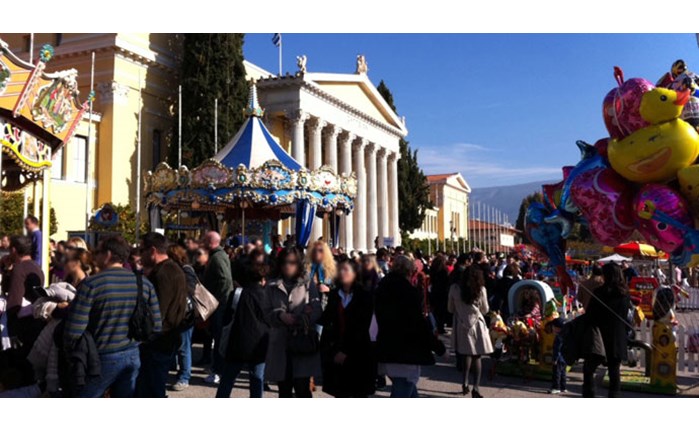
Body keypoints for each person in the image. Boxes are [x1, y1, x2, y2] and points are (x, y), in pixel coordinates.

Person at [64, 235, 162, 398]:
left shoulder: (92, 284)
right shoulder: (143, 283)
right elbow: (156, 325)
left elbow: (73, 331)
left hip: (101, 357)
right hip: (133, 354)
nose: (94, 256)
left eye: (98, 252)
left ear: (108, 255)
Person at [375, 255, 446, 398]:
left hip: (386, 344)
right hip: (405, 350)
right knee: (403, 387)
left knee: (408, 390)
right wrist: (439, 348)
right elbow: (419, 325)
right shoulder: (409, 292)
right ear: (409, 272)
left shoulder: (381, 288)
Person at [137, 232, 188, 397]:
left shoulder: (164, 273)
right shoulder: (170, 268)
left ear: (152, 251)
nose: (139, 254)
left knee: (151, 389)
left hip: (159, 342)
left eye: (141, 249)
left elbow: (157, 312)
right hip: (165, 339)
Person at [266, 247, 322, 398]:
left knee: (302, 388)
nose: (287, 266)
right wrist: (279, 316)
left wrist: (303, 317)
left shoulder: (307, 284)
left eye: (291, 262)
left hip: (301, 341)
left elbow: (317, 310)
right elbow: (265, 311)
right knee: (284, 389)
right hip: (280, 343)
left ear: (298, 264)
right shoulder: (271, 285)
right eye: (284, 262)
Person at [319, 258, 375, 398]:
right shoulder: (334, 295)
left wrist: (346, 351)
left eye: (346, 270)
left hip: (358, 354)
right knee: (340, 393)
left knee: (357, 393)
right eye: (340, 270)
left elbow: (362, 327)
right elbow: (328, 322)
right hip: (336, 352)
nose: (342, 273)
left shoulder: (364, 296)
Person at [216, 259, 272, 398]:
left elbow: (227, 317)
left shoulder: (237, 293)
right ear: (263, 279)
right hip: (259, 344)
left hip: (237, 341)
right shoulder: (267, 296)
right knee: (257, 380)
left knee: (227, 380)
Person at [582, 263, 632, 398]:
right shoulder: (625, 294)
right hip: (617, 335)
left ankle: (589, 394)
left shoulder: (599, 292)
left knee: (589, 368)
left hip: (599, 335)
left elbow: (591, 314)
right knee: (614, 371)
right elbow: (625, 313)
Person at [448, 264, 493, 398]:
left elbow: (450, 309)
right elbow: (485, 310)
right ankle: (476, 387)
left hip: (461, 323)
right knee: (477, 355)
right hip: (477, 324)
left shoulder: (454, 288)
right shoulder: (481, 289)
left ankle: (465, 381)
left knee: (465, 353)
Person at [1, 236, 45, 354]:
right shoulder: (36, 267)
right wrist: (8, 269)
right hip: (35, 318)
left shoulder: (20, 269)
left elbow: (14, 299)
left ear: (14, 250)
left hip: (21, 323)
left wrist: (11, 329)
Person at [202, 231, 234, 384]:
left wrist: (216, 300)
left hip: (218, 305)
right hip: (219, 303)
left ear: (210, 242)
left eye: (205, 240)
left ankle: (218, 371)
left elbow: (225, 280)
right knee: (218, 337)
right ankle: (217, 368)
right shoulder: (219, 256)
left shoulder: (217, 257)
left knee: (219, 337)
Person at [166, 244, 198, 392]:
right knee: (178, 344)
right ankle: (178, 371)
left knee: (184, 346)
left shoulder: (186, 270)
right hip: (177, 312)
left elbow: (190, 290)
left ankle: (184, 376)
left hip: (185, 314)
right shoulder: (180, 269)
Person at [429, 255, 450, 334]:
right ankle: (441, 327)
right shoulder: (444, 270)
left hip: (435, 291)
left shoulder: (433, 269)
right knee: (442, 311)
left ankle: (436, 325)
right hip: (443, 292)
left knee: (436, 310)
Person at [548, 317, 567, 394]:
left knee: (556, 373)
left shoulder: (558, 337)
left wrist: (555, 359)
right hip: (564, 358)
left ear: (558, 328)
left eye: (553, 327)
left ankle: (556, 387)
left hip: (558, 359)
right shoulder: (565, 336)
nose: (552, 329)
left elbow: (557, 349)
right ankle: (563, 387)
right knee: (563, 373)